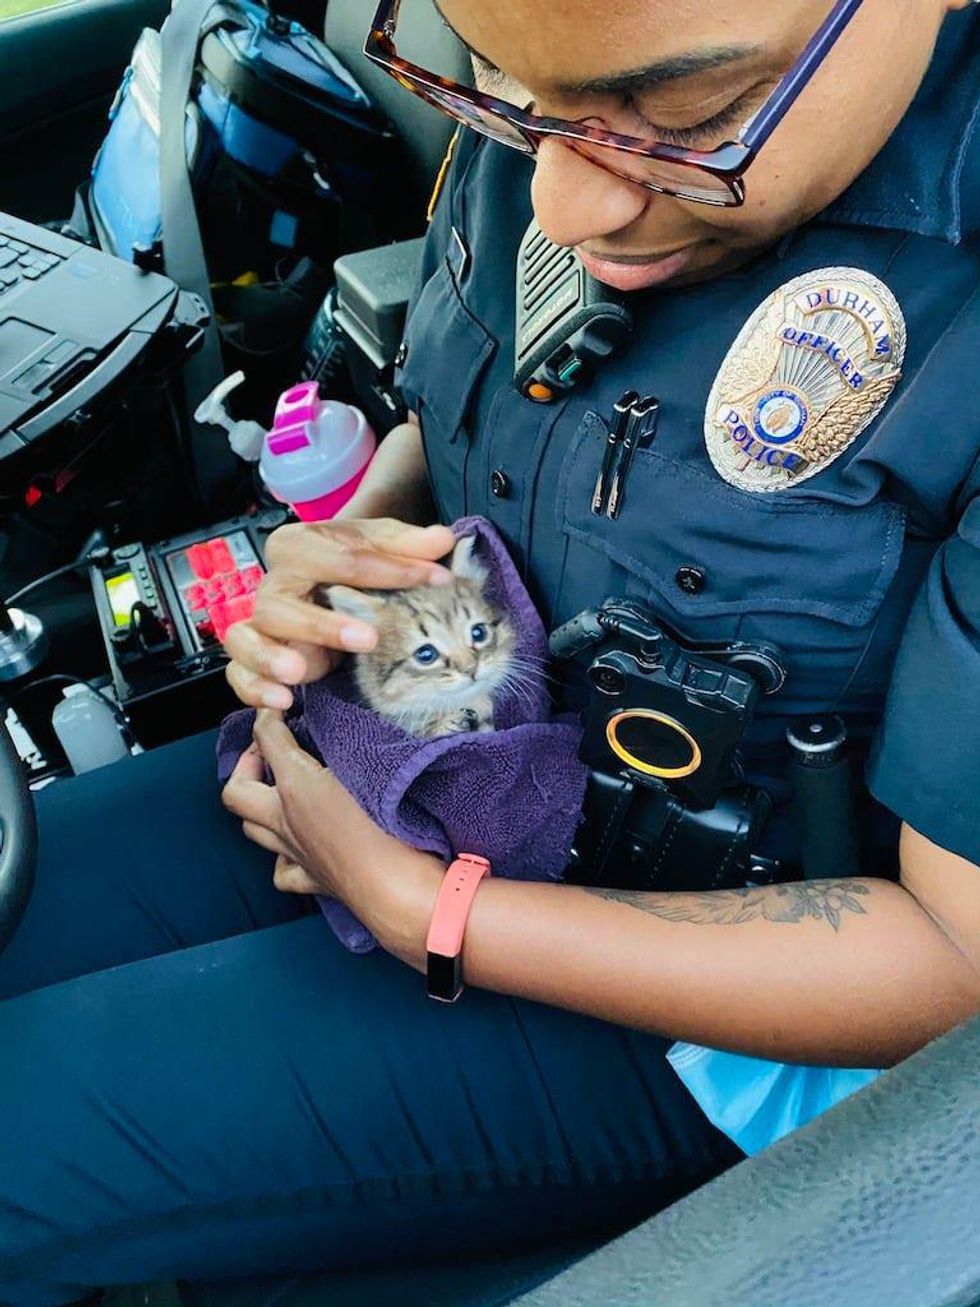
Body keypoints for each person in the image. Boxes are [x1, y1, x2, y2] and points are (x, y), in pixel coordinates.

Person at [1, 0, 979, 1301]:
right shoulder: (560, 85)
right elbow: (488, 403)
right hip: (425, 753)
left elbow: (951, 961)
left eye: (682, 119)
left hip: (712, 1002)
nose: (563, 200)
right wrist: (354, 543)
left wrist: (428, 913)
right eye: (497, 84)